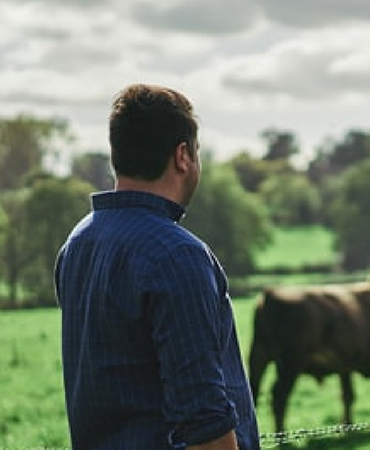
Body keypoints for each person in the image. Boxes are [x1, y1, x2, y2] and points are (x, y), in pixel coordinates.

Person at [56, 83, 259, 450]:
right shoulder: (177, 256)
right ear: (183, 155)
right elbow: (203, 419)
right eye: (195, 152)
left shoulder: (78, 243)